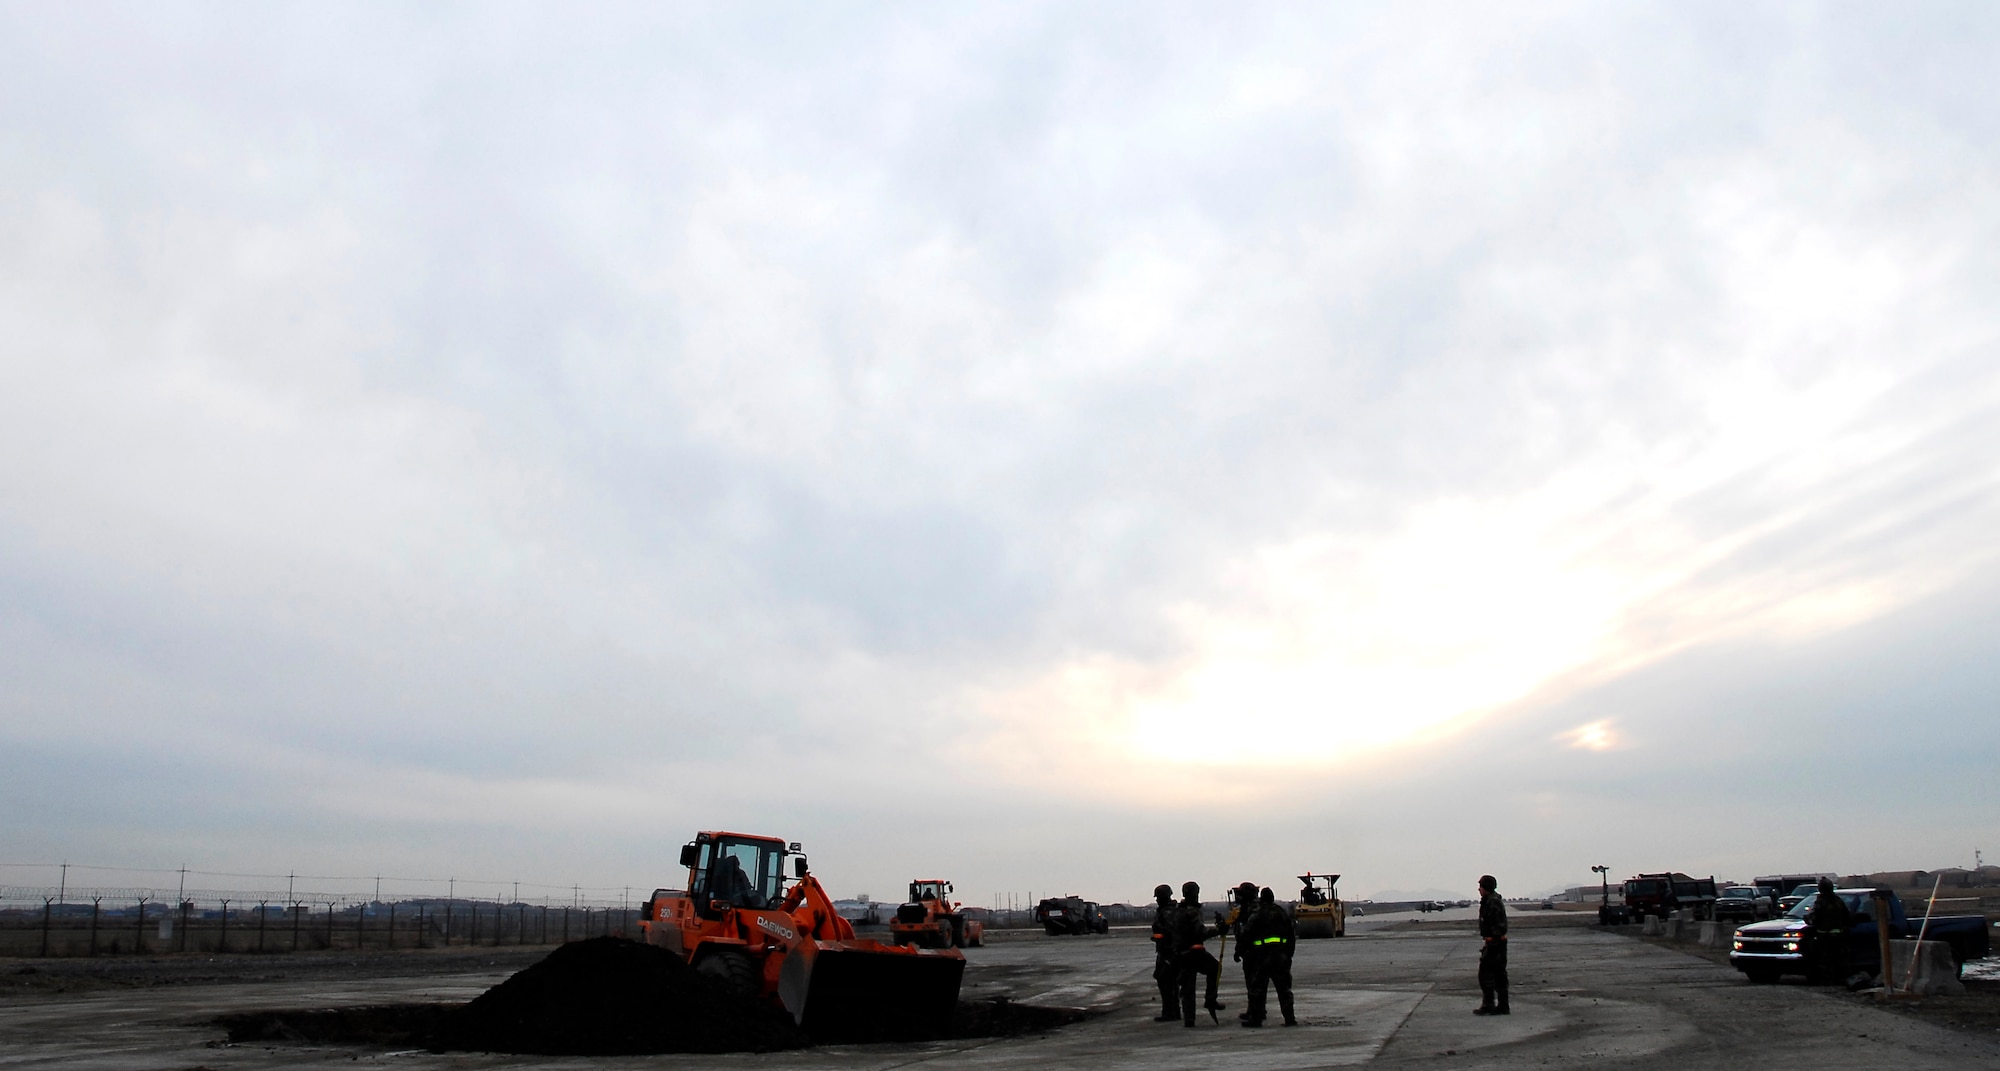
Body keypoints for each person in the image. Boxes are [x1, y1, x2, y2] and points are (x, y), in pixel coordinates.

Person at [1169, 880, 1226, 1025]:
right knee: (1215, 968)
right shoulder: (1192, 912)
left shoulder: (1176, 912)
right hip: (1194, 953)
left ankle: (1189, 1019)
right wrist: (1219, 930)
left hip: (1180, 953)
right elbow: (1200, 932)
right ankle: (1210, 1000)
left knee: (1187, 987)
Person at [1239, 886, 1297, 1027]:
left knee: (1258, 989)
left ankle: (1256, 1019)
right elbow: (1291, 935)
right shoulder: (1281, 912)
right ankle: (1290, 1019)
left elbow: (1246, 933)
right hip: (1280, 955)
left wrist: (1241, 950)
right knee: (1284, 989)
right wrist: (1288, 955)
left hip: (1261, 956)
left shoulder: (1257, 913)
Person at [1804, 878, 1852, 985]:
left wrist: (1808, 919)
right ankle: (1840, 979)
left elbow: (1814, 917)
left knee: (1825, 960)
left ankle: (1829, 980)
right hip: (1839, 936)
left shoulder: (1821, 901)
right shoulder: (1838, 900)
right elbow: (1847, 916)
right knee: (1840, 960)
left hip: (1825, 936)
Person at [1475, 874, 1509, 1015]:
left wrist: (1493, 944)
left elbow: (1498, 925)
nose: (1479, 889)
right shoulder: (1489, 901)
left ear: (1485, 888)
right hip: (1495, 943)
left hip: (1495, 943)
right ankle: (1501, 1005)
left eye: (1481, 887)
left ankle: (1490, 1005)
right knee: (1498, 975)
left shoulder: (1492, 902)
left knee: (1487, 975)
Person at [1149, 884, 1179, 1022]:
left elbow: (1171, 932)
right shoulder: (1166, 911)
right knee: (1167, 981)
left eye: (1159, 898)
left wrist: (1161, 937)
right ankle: (1173, 1011)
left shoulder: (1168, 912)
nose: (1157, 900)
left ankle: (1170, 1012)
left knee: (1166, 981)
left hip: (1169, 951)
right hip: (1166, 950)